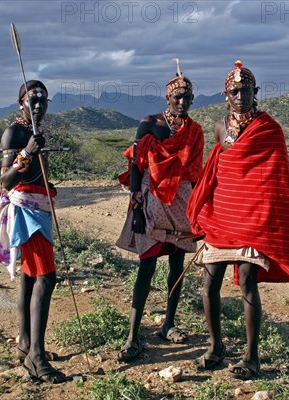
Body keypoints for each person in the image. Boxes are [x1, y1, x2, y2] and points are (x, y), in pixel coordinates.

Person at [187, 61, 289, 380]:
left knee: (248, 282)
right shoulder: (220, 127)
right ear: (226, 95)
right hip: (222, 217)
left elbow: (272, 179)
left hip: (252, 219)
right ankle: (215, 348)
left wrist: (265, 217)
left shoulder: (269, 128)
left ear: (256, 92)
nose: (241, 95)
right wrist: (204, 210)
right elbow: (218, 171)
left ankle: (252, 357)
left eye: (246, 90)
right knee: (210, 282)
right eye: (235, 91)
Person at [115, 61, 204, 362]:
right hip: (151, 200)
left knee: (177, 265)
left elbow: (195, 173)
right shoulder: (149, 124)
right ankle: (132, 335)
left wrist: (199, 210)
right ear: (167, 98)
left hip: (181, 202)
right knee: (147, 266)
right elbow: (136, 164)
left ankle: (168, 323)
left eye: (187, 98)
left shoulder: (195, 131)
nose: (182, 103)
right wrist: (136, 207)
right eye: (177, 97)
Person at [0, 80, 66, 383]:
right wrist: (26, 152)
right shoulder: (15, 133)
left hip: (39, 207)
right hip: (26, 212)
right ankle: (36, 357)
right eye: (32, 101)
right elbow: (6, 181)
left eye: (43, 101)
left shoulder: (37, 133)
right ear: (21, 102)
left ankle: (25, 343)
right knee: (46, 277)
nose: (38, 106)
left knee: (30, 276)